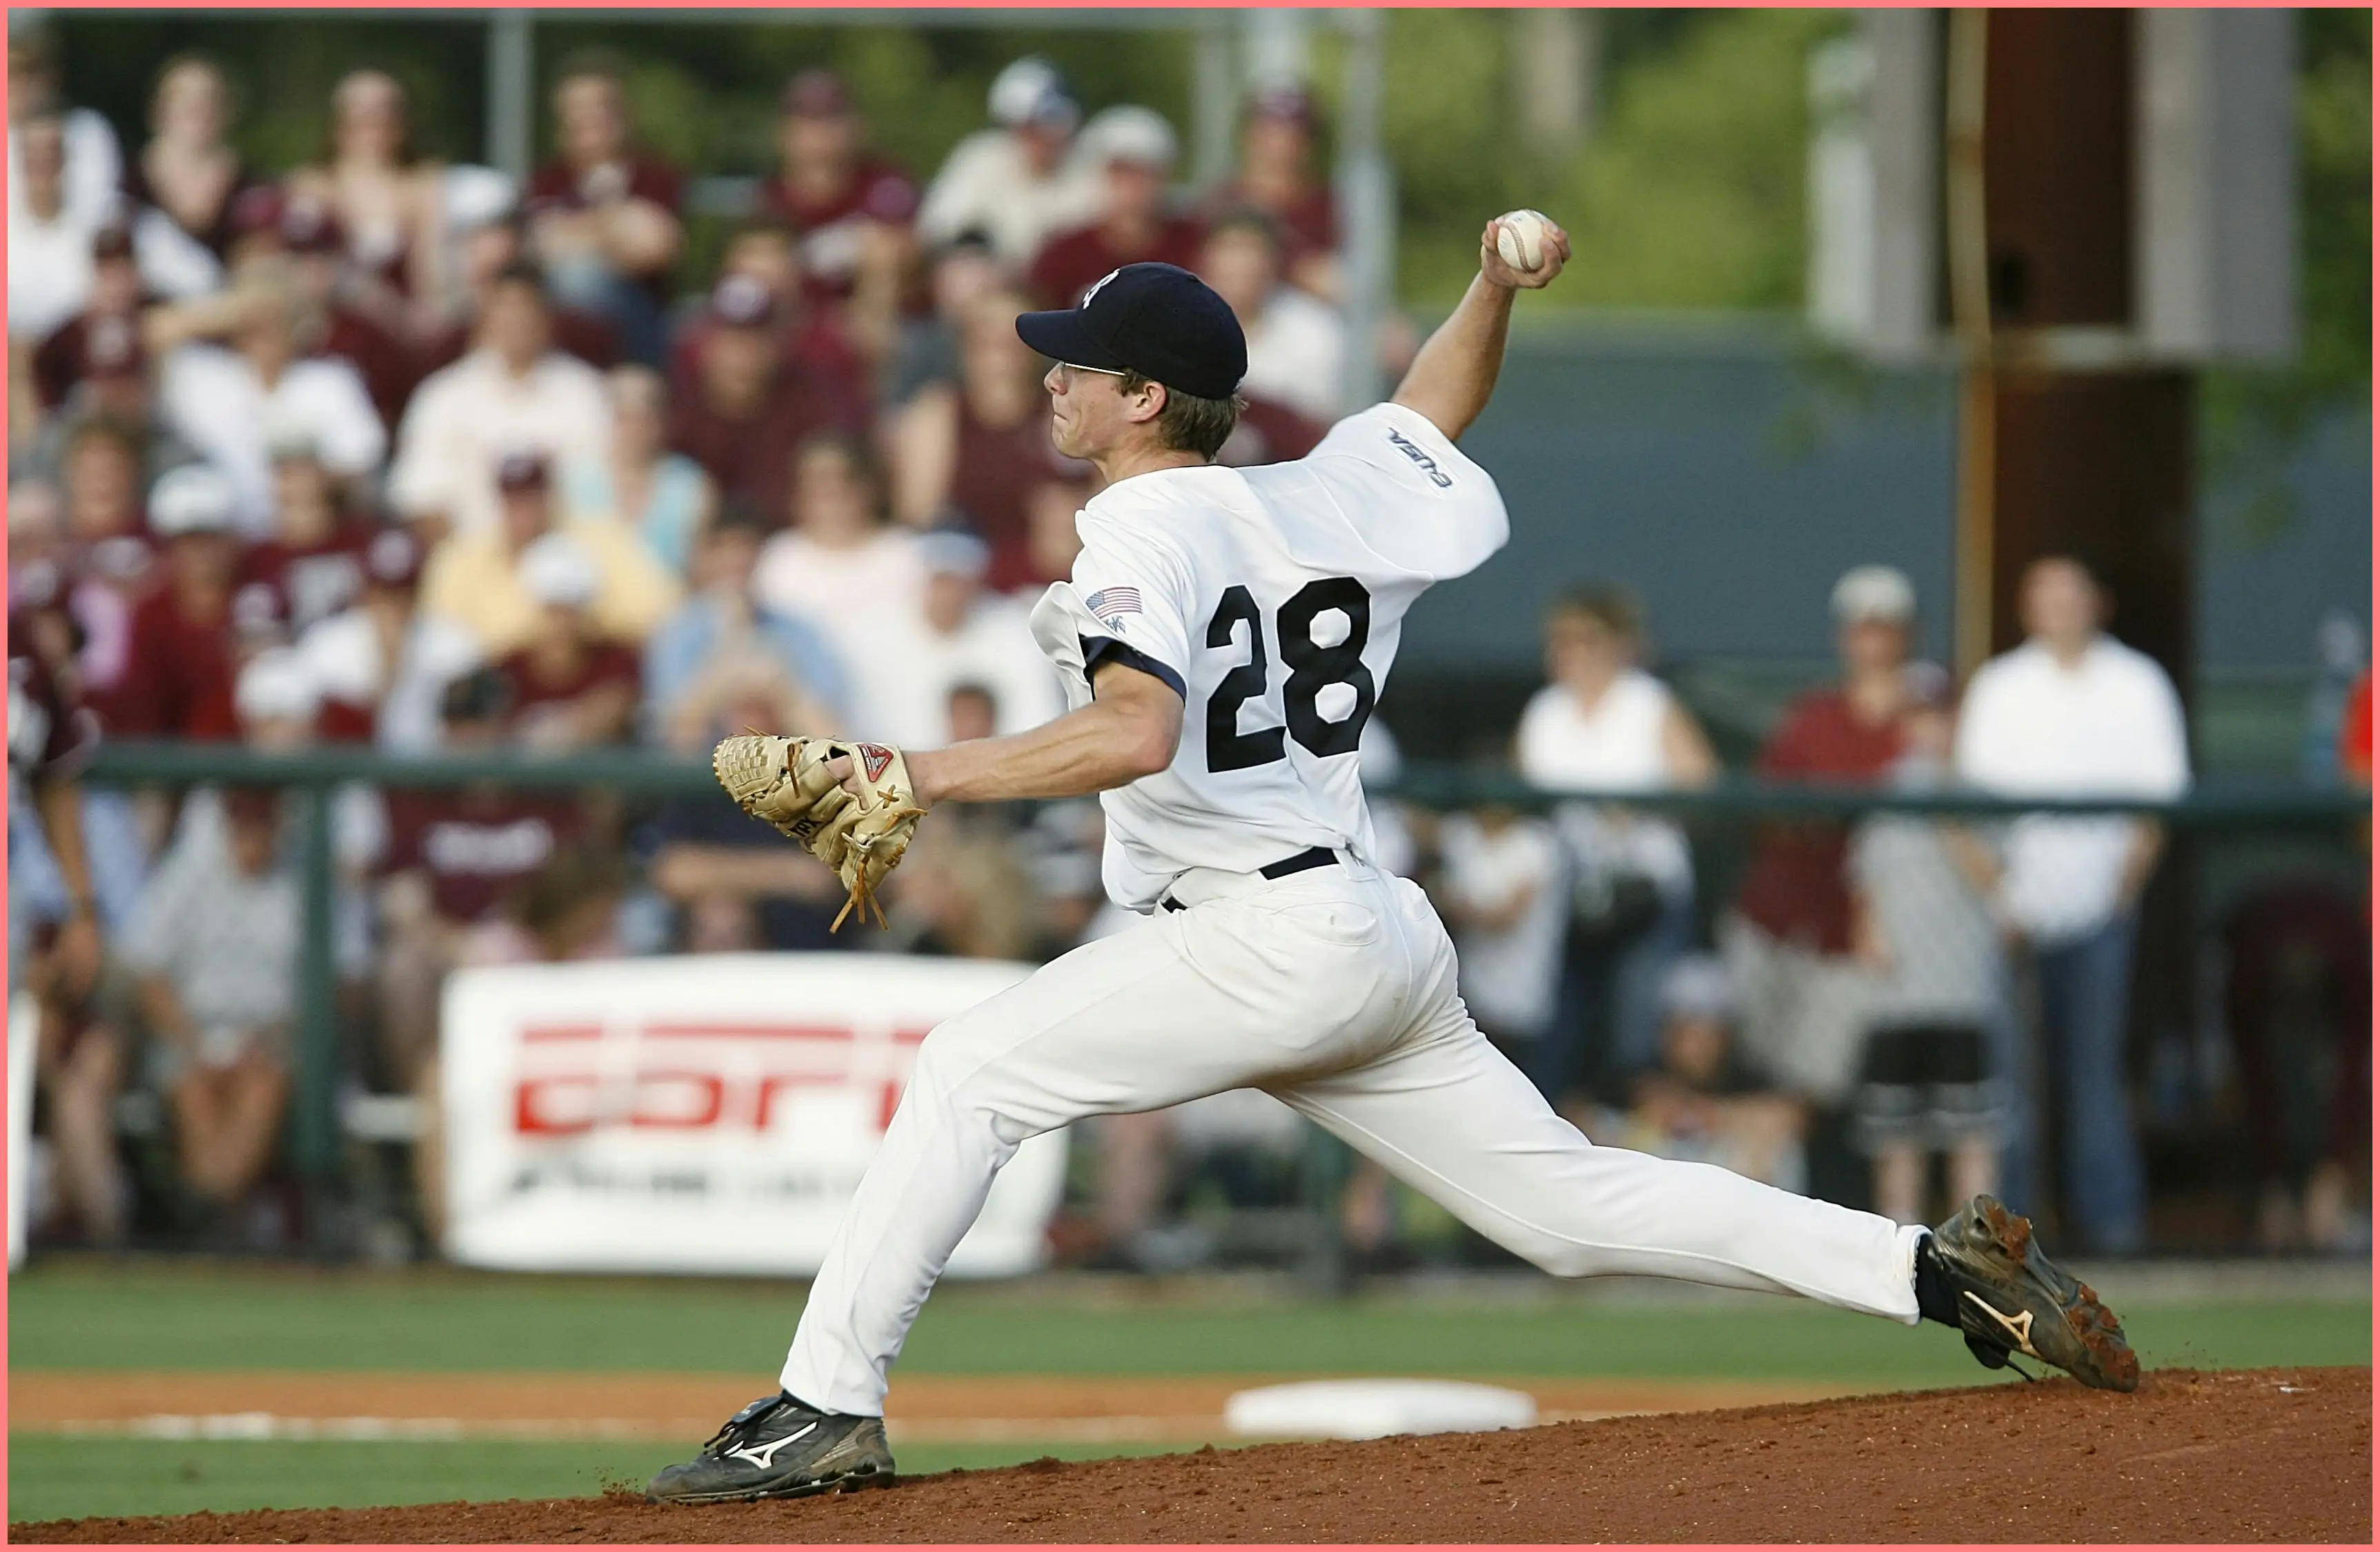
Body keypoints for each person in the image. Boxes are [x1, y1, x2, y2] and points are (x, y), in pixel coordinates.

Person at [648, 231, 2135, 1503]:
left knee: (967, 1067)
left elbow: (1130, 724)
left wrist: (913, 772)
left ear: (1142, 397)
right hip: (1360, 926)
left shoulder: (1134, 525)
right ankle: (1930, 1268)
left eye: (1076, 362)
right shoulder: (1321, 491)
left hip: (1256, 940)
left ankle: (821, 1405)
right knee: (1566, 1208)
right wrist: (1492, 281)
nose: (1049, 377)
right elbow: (1436, 402)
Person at [1953, 554, 2189, 1255]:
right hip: (2011, 915)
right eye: (2042, 596)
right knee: (2011, 1083)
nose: (2056, 608)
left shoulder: (2136, 683)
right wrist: (1997, 896)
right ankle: (2014, 1240)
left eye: (2068, 595)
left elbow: (2158, 802)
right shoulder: (1999, 685)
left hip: (2099, 912)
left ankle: (2111, 1226)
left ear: (2098, 602)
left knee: (2093, 1074)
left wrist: (2118, 893)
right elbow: (1963, 810)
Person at [1722, 564, 1919, 1110]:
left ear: (1906, 633)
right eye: (1861, 627)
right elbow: (1766, 807)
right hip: (1776, 915)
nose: (1871, 640)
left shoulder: (1926, 716)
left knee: (1818, 1084)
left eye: (1883, 626)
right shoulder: (1814, 714)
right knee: (1755, 1064)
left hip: (1858, 932)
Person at [1516, 585, 1714, 1111]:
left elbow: (1704, 789)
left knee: (1636, 1038)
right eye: (1560, 640)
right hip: (1568, 897)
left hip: (1643, 897)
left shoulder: (1646, 702)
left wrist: (1638, 808)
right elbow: (1521, 804)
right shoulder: (1544, 712)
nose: (1568, 652)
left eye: (1583, 639)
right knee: (1556, 1033)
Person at [1846, 681, 2009, 1226]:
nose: (1929, 727)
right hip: (1896, 993)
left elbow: (1992, 877)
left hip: (1962, 991)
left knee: (1971, 1129)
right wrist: (1868, 933)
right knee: (1896, 1132)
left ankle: (1985, 1250)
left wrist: (1948, 815)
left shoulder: (1978, 793)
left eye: (1939, 714)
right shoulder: (1884, 794)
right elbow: (1864, 881)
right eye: (1919, 714)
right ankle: (1900, 1246)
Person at [123, 784, 298, 1236]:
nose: (252, 839)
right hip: (193, 1031)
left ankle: (206, 1220)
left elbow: (338, 985)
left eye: (262, 827)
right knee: (195, 1091)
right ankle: (219, 1221)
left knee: (261, 1087)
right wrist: (194, 1041)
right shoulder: (190, 871)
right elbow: (146, 972)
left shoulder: (300, 876)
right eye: (242, 827)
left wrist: (273, 1035)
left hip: (272, 1037)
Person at [885, 287, 1095, 591]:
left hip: (1056, 583)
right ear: (966, 343)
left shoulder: (1066, 411)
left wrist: (1073, 517)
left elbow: (1106, 501)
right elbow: (918, 518)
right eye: (989, 334)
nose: (1001, 347)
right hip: (968, 587)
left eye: (1015, 335)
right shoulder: (938, 414)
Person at [386, 262, 612, 542]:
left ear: (547, 316)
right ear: (485, 315)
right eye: (506, 307)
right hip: (474, 563)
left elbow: (604, 495)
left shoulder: (584, 392)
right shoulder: (443, 397)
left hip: (569, 560)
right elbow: (422, 501)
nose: (517, 319)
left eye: (527, 307)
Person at [154, 264, 386, 533]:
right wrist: (235, 309)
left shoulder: (330, 381)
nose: (265, 334)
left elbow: (360, 462)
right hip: (232, 538)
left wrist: (298, 486)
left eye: (276, 321)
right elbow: (151, 335)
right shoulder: (212, 381)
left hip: (313, 531)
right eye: (254, 325)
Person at [417, 449, 679, 660]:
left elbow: (659, 612)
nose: (523, 512)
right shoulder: (464, 555)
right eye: (513, 500)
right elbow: (442, 637)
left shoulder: (601, 538)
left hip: (590, 674)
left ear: (550, 496)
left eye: (531, 498)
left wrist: (581, 627)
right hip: (497, 688)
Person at [642, 500, 852, 747]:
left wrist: (778, 685)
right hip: (703, 779)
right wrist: (727, 670)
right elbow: (676, 739)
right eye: (722, 547)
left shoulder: (799, 632)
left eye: (745, 546)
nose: (735, 560)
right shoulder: (677, 635)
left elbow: (835, 741)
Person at [666, 274, 869, 524]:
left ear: (776, 346)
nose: (742, 357)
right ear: (708, 346)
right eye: (731, 341)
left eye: (754, 341)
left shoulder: (808, 408)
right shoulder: (678, 415)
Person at [524, 52, 685, 366]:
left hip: (638, 327)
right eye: (574, 111)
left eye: (596, 110)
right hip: (558, 329)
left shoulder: (655, 176)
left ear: (621, 118)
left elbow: (654, 249)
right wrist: (616, 226)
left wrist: (575, 231)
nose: (584, 121)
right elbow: (537, 251)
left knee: (579, 274)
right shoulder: (545, 181)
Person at [751, 433, 925, 693]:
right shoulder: (780, 559)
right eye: (816, 483)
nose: (829, 494)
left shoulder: (903, 554)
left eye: (840, 481)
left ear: (867, 487)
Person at [758, 69, 918, 332]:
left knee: (882, 253)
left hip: (873, 325)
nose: (819, 133)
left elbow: (911, 253)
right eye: (807, 120)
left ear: (855, 126)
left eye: (830, 118)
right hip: (796, 325)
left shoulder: (883, 183)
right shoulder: (770, 197)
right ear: (784, 132)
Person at [283, 69, 446, 320]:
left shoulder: (422, 185)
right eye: (362, 117)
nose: (373, 127)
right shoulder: (310, 184)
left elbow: (430, 269)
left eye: (383, 116)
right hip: (328, 317)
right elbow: (308, 266)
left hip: (403, 322)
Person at [914, 57, 1100, 268]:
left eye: (1039, 125)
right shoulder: (983, 158)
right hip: (992, 282)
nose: (1033, 138)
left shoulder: (1090, 166)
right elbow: (941, 229)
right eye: (1022, 127)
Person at [1025, 107, 1203, 308]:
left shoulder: (1193, 244)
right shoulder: (1064, 254)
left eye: (1143, 173)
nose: (1131, 186)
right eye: (1120, 173)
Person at [1196, 207, 1339, 444]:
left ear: (1275, 262)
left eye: (1254, 251)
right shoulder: (1175, 317)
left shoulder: (1314, 330)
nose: (1243, 264)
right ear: (1207, 258)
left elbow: (1318, 423)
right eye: (1231, 249)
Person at [560, 364, 714, 578]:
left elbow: (700, 567)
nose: (635, 428)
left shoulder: (689, 485)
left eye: (645, 417)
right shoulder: (575, 480)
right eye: (625, 417)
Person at [1200, 85, 1339, 301]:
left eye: (1293, 133)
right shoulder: (1220, 203)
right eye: (1269, 131)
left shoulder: (1329, 206)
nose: (1280, 143)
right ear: (1248, 136)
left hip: (1310, 321)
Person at [125, 55, 259, 262]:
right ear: (159, 108)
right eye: (184, 98)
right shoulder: (128, 182)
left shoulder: (249, 185)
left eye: (209, 100)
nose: (197, 108)